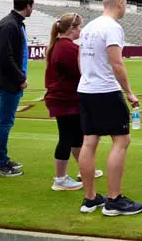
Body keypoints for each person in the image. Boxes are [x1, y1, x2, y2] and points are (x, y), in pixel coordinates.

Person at [77, 0, 142, 216]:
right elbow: (117, 63)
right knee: (121, 141)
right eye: (125, 4)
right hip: (105, 89)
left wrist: (88, 79)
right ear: (120, 3)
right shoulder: (112, 27)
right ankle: (114, 199)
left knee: (89, 141)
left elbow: (81, 60)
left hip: (86, 89)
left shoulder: (88, 28)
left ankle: (90, 198)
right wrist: (130, 92)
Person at [44, 13, 104, 191]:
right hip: (65, 99)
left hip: (64, 98)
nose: (81, 30)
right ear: (72, 29)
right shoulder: (67, 49)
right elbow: (81, 73)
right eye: (79, 27)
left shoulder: (59, 46)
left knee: (76, 136)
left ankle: (84, 168)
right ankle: (60, 179)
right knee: (67, 138)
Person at [0, 0, 34, 177]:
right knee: (5, 122)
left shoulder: (13, 23)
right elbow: (5, 56)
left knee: (6, 121)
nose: (32, 10)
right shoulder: (10, 24)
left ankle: (2, 159)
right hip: (9, 81)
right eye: (32, 6)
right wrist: (20, 78)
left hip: (9, 79)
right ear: (27, 6)